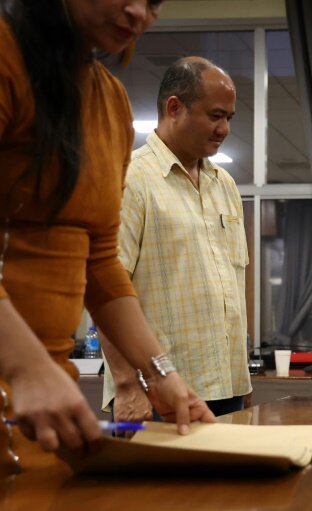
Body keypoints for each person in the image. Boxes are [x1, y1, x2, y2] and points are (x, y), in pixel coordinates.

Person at [0, 0, 214, 468]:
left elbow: (99, 262)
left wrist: (160, 373)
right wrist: (25, 364)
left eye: (155, 3)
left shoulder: (111, 102)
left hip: (43, 401)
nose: (139, 12)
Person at [101, 57, 252, 420]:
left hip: (226, 390)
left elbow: (232, 285)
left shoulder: (225, 184)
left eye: (229, 118)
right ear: (174, 107)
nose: (224, 129)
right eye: (216, 115)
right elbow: (106, 286)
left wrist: (242, 386)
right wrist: (126, 383)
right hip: (156, 395)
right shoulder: (131, 179)